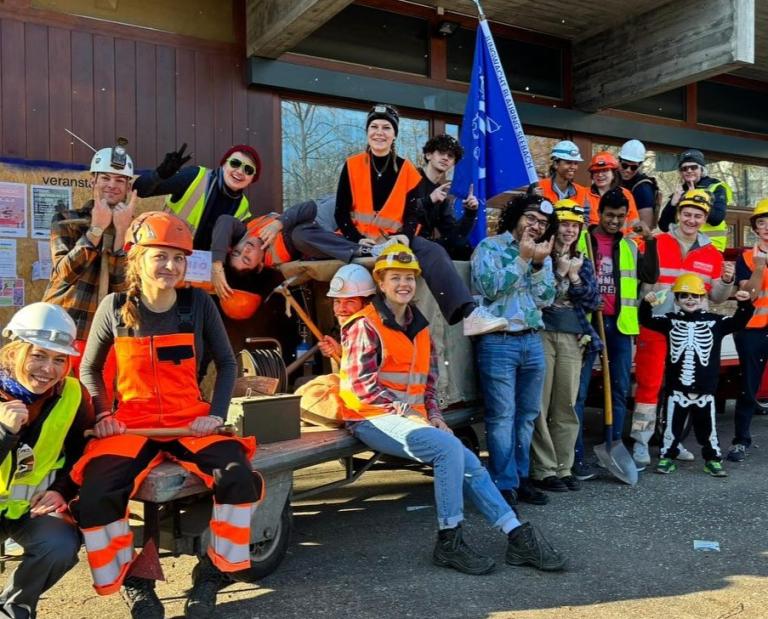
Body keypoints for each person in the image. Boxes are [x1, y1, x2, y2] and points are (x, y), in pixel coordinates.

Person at [70, 212, 261, 619]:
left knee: (238, 475)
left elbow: (227, 365)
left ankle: (213, 572)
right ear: (137, 258)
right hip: (132, 425)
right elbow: (89, 369)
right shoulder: (115, 307)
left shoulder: (199, 304)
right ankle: (133, 582)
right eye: (161, 257)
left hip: (190, 423)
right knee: (97, 492)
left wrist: (215, 414)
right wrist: (103, 412)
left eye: (178, 258)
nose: (171, 266)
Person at [339, 243, 566, 574]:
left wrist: (434, 416)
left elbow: (428, 384)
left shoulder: (419, 324)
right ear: (381, 283)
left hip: (410, 419)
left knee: (469, 461)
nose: (404, 284)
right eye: (395, 278)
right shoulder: (366, 324)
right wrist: (412, 415)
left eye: (409, 278)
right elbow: (362, 386)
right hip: (368, 417)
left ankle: (516, 535)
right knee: (449, 451)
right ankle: (449, 540)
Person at [293, 103, 507, 337]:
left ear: (394, 134)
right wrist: (357, 241)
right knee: (300, 234)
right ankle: (359, 250)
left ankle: (469, 314)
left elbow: (413, 213)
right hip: (358, 244)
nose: (379, 132)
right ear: (367, 132)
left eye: (386, 127)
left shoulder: (408, 170)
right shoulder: (352, 165)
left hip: (393, 242)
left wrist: (405, 235)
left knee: (433, 250)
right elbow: (341, 213)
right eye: (374, 126)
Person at [0, 303, 94, 619]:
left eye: (59, 359)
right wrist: (4, 433)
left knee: (59, 544)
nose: (48, 369)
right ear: (14, 351)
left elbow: (82, 451)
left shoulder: (72, 394)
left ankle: (14, 607)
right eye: (38, 355)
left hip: (29, 508)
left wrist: (63, 491)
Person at [630, 189, 734, 468]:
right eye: (687, 213)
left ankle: (672, 442)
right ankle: (641, 443)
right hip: (657, 327)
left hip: (689, 332)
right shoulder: (656, 242)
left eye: (698, 215)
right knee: (650, 385)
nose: (691, 219)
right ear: (678, 214)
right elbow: (637, 277)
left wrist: (726, 281)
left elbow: (717, 298)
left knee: (686, 387)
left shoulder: (712, 253)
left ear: (705, 219)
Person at [472, 193, 557, 506]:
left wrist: (535, 266)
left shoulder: (541, 255)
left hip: (532, 341)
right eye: (531, 218)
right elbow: (489, 289)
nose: (535, 226)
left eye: (543, 223)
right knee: (502, 417)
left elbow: (546, 298)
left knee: (527, 416)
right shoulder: (489, 247)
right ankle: (503, 483)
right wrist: (522, 260)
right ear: (517, 216)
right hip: (498, 342)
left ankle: (521, 479)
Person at [572, 188, 658, 479]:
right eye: (610, 215)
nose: (615, 221)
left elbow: (650, 276)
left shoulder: (630, 247)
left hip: (620, 326)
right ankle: (575, 454)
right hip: (587, 324)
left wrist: (649, 240)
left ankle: (613, 444)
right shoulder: (582, 241)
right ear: (600, 214)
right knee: (579, 391)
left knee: (619, 389)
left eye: (620, 217)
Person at [42, 141, 136, 398]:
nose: (112, 185)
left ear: (128, 187)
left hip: (105, 336)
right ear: (93, 180)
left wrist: (121, 236)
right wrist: (96, 229)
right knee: (55, 397)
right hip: (65, 327)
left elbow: (123, 290)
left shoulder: (135, 229)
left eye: (120, 180)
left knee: (95, 405)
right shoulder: (67, 219)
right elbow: (65, 273)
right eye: (105, 177)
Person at [640, 275, 753, 476]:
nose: (690, 299)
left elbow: (738, 322)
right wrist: (647, 304)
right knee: (671, 428)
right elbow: (646, 319)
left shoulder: (715, 322)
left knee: (708, 429)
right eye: (684, 296)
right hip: (677, 389)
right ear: (676, 300)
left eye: (695, 295)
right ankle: (667, 457)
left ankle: (713, 459)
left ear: (702, 298)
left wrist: (744, 304)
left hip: (705, 389)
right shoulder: (670, 321)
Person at [530, 199, 600, 493]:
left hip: (573, 336)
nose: (570, 230)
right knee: (541, 404)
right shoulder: (539, 255)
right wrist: (559, 273)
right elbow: (537, 298)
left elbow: (595, 302)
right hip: (543, 333)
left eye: (575, 225)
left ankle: (564, 466)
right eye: (565, 224)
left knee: (566, 405)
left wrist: (574, 277)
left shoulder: (583, 259)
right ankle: (544, 470)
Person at [134, 143, 261, 250]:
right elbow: (141, 190)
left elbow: (236, 248)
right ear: (223, 164)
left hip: (201, 271)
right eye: (235, 163)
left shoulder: (243, 207)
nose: (239, 171)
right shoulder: (195, 176)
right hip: (166, 254)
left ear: (252, 179)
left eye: (248, 170)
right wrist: (159, 175)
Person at [208, 200, 318, 300]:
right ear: (260, 266)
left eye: (237, 253)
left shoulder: (245, 236)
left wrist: (217, 263)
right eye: (246, 259)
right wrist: (278, 224)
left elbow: (225, 220)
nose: (245, 249)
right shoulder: (284, 248)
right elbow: (308, 207)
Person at [729, 198, 768, 462]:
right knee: (748, 387)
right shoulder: (745, 256)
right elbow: (748, 295)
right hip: (753, 329)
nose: (766, 227)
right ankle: (740, 440)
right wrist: (759, 266)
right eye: (762, 222)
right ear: (755, 228)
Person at [411, 134, 478, 260]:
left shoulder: (441, 195)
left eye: (450, 156)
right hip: (400, 239)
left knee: (464, 247)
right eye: (441, 152)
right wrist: (429, 201)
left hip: (424, 247)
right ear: (428, 155)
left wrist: (470, 213)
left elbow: (454, 237)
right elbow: (400, 212)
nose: (446, 158)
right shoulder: (410, 178)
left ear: (453, 163)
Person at [657, 149, 731, 252]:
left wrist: (695, 198)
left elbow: (716, 219)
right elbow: (664, 226)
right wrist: (673, 204)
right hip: (683, 247)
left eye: (693, 167)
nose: (689, 170)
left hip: (710, 247)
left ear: (702, 169)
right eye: (684, 168)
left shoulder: (715, 187)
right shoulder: (680, 192)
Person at [586, 152, 641, 239]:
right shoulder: (583, 195)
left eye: (604, 170)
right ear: (592, 175)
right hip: (591, 244)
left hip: (619, 244)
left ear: (613, 174)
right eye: (596, 171)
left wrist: (633, 238)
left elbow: (634, 225)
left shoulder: (626, 194)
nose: (600, 175)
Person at [538, 140, 591, 218]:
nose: (573, 167)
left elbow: (585, 221)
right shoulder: (539, 187)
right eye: (568, 162)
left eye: (576, 163)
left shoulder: (581, 192)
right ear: (556, 164)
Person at [618, 139, 659, 229]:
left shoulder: (643, 188)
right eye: (624, 165)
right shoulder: (614, 178)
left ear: (639, 165)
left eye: (633, 167)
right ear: (619, 161)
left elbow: (646, 225)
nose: (628, 170)